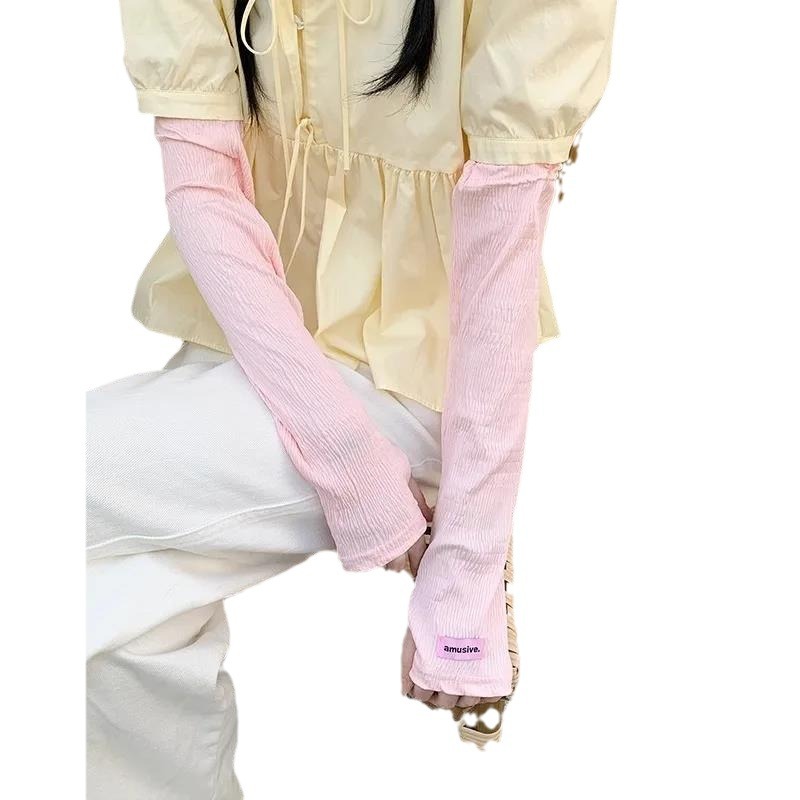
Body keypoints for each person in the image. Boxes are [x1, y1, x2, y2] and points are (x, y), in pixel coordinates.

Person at [87, 0, 616, 796]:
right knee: (114, 614)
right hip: (255, 343)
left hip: (413, 375)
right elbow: (202, 186)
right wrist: (349, 464)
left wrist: (469, 560)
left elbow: (503, 242)